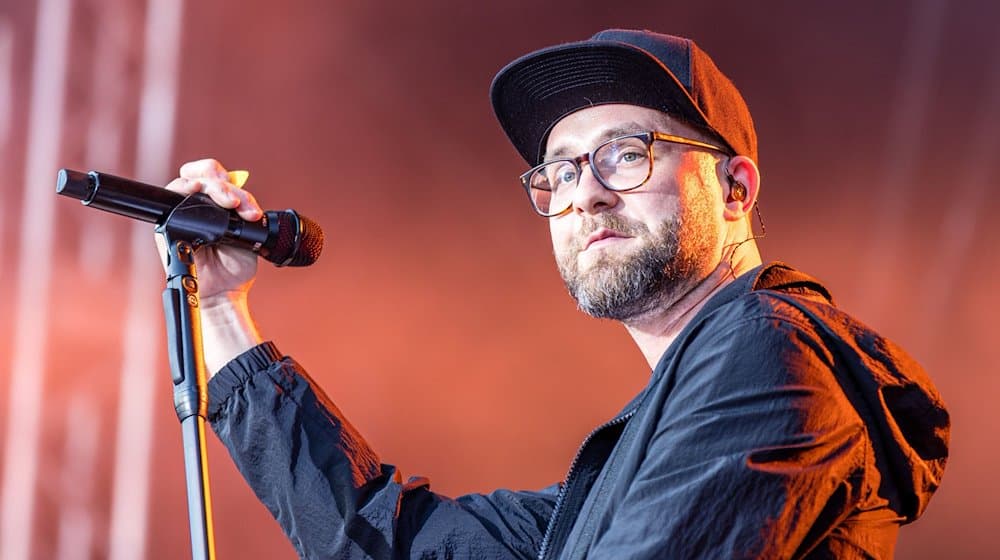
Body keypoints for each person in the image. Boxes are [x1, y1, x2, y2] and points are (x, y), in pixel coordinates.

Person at [164, 29, 950, 559]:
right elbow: (390, 543)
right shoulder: (636, 463)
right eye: (562, 171)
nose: (587, 195)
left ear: (735, 188)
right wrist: (221, 309)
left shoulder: (772, 351)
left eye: (624, 154)